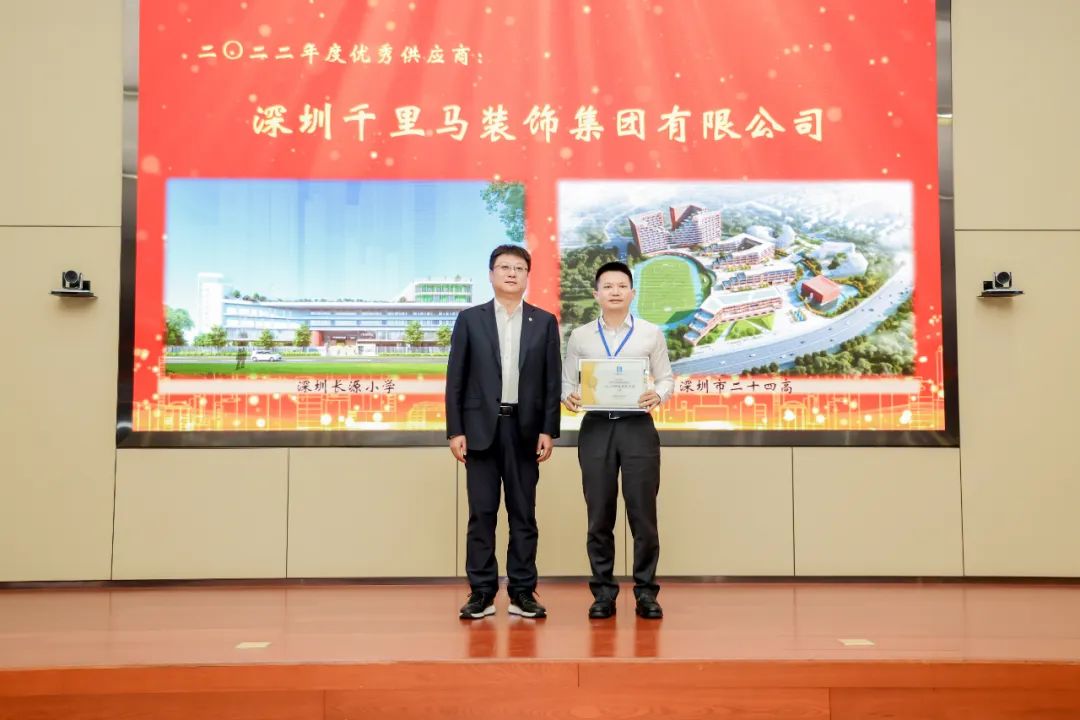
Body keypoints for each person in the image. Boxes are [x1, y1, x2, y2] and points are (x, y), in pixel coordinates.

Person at [446, 244, 562, 620]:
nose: (511, 273)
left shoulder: (544, 322)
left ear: (527, 276)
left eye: (519, 268)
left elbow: (551, 381)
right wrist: (455, 430)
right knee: (482, 514)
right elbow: (456, 378)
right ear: (491, 274)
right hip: (480, 430)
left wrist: (549, 429)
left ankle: (522, 592)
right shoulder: (470, 319)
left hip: (524, 430)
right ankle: (481, 592)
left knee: (523, 514)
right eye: (504, 267)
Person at [562, 261, 673, 620]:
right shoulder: (580, 336)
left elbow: (666, 378)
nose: (614, 291)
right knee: (599, 515)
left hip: (637, 427)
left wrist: (658, 394)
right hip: (596, 427)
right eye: (607, 286)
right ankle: (603, 594)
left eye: (621, 286)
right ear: (596, 294)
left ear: (632, 293)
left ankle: (646, 593)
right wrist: (568, 396)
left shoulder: (650, 333)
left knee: (643, 515)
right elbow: (567, 381)